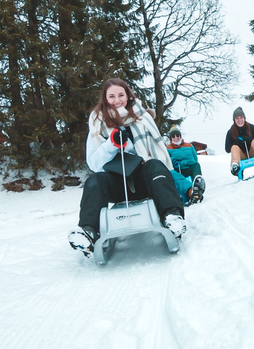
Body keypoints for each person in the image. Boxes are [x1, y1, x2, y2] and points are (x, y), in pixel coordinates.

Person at [69, 78, 187, 256]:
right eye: (112, 96)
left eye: (121, 95)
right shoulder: (96, 121)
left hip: (145, 181)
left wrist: (130, 145)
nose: (117, 100)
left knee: (155, 165)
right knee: (94, 181)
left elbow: (156, 153)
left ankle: (171, 216)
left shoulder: (143, 117)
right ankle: (88, 231)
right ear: (105, 98)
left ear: (128, 95)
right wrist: (112, 144)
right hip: (116, 183)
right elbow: (93, 164)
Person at [224, 107, 254, 176]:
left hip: (253, 152)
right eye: (237, 118)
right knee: (234, 147)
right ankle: (235, 166)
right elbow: (227, 149)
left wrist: (249, 139)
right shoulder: (230, 132)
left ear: (244, 118)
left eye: (241, 117)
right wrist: (236, 143)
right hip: (240, 156)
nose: (239, 120)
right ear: (234, 120)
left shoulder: (251, 127)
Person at [166, 128, 206, 204]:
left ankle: (197, 183)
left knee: (196, 165)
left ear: (180, 136)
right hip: (178, 169)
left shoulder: (189, 146)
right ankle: (188, 192)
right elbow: (168, 160)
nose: (176, 138)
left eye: (177, 136)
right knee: (173, 174)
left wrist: (186, 162)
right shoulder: (168, 148)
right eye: (173, 136)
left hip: (189, 168)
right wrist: (174, 161)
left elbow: (195, 158)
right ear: (171, 139)